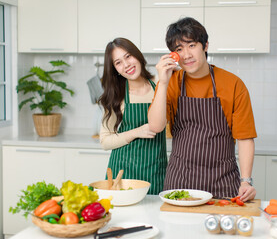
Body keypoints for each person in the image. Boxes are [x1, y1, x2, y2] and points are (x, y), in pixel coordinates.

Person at [148, 17, 257, 201]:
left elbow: (245, 138)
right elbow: (156, 126)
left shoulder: (233, 84)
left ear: (205, 45)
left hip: (223, 183)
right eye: (179, 49)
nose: (186, 55)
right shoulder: (171, 82)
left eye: (191, 45)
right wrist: (163, 82)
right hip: (179, 182)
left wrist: (246, 181)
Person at [99, 38, 167, 195]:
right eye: (118, 62)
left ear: (138, 56)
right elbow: (105, 141)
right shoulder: (116, 96)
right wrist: (137, 132)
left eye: (128, 56)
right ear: (115, 69)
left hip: (156, 171)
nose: (126, 65)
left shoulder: (160, 85)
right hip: (123, 174)